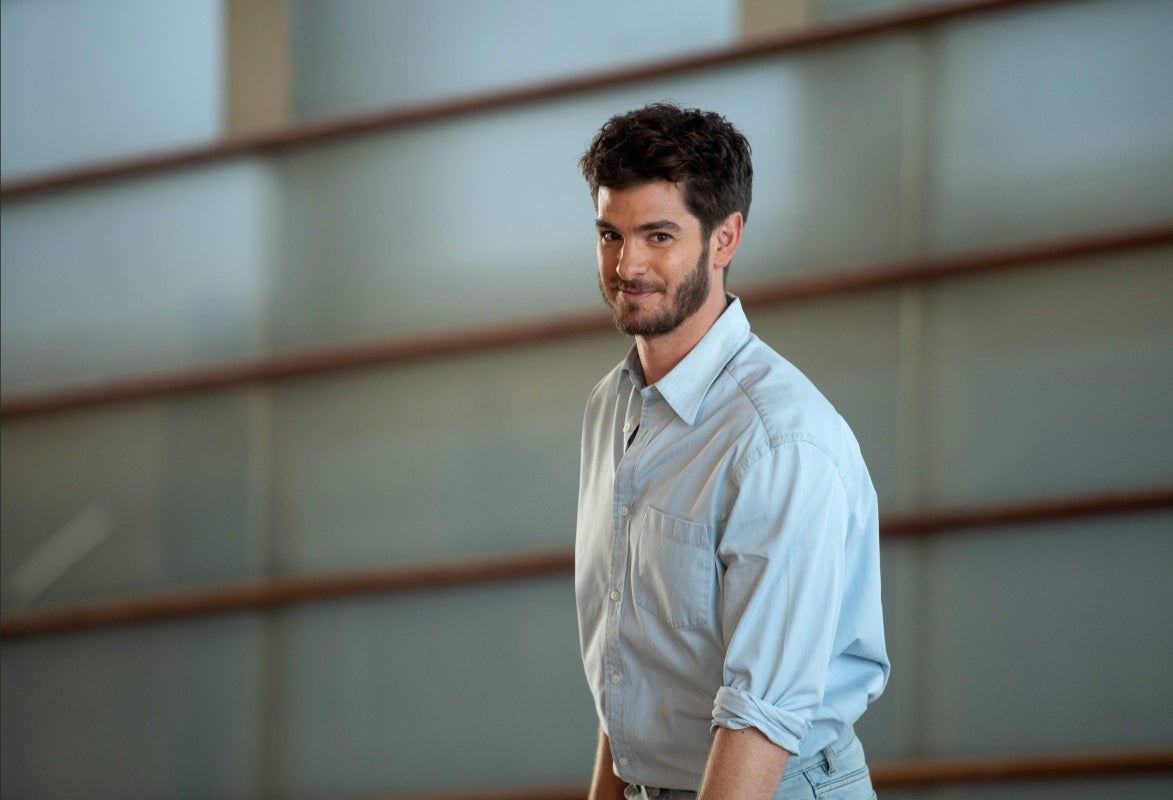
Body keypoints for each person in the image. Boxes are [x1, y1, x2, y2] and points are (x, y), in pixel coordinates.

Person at [574, 103, 890, 800]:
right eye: (609, 234)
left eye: (658, 236)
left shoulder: (776, 440)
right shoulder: (611, 407)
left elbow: (760, 718)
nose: (626, 265)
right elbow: (632, 664)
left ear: (725, 238)